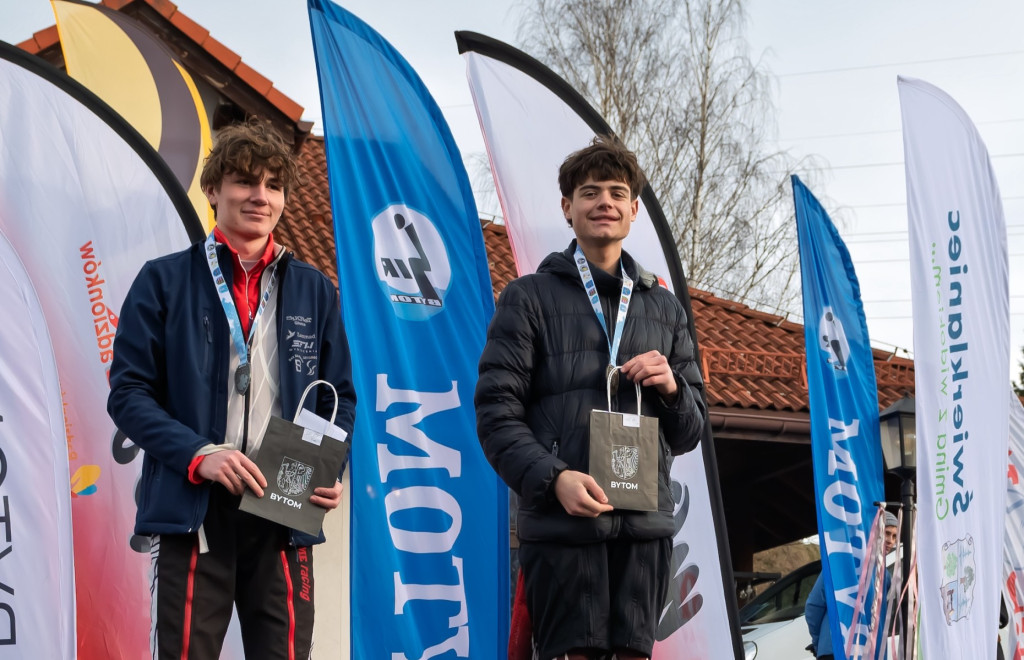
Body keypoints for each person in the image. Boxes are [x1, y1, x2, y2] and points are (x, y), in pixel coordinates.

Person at [107, 118, 356, 659]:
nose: (259, 196)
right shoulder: (164, 280)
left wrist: (326, 470)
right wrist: (200, 455)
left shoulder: (314, 289)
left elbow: (339, 398)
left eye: (273, 185)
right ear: (213, 189)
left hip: (284, 503)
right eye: (245, 181)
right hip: (194, 505)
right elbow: (127, 393)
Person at [474, 136, 706, 660]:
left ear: (633, 211)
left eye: (617, 193)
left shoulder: (665, 309)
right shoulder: (528, 298)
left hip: (644, 533)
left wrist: (671, 387)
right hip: (562, 527)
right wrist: (554, 479)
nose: (605, 202)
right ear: (567, 208)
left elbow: (690, 431)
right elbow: (495, 415)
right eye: (590, 192)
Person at [805, 511, 899, 659]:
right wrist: (820, 643)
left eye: (894, 536)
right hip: (836, 650)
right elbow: (814, 605)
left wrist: (818, 643)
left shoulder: (884, 575)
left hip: (858, 652)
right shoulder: (839, 563)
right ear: (873, 531)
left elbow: (814, 607)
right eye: (886, 533)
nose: (890, 541)